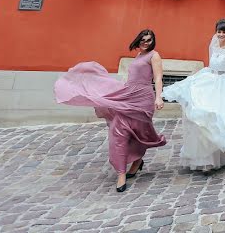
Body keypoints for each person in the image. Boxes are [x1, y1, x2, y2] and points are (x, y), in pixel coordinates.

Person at [54, 29, 166, 192]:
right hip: (128, 95)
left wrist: (159, 97)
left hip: (143, 99)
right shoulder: (139, 56)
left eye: (148, 40)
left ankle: (136, 161)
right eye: (142, 40)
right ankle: (121, 172)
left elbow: (157, 78)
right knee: (119, 132)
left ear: (153, 42)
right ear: (138, 41)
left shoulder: (154, 56)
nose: (145, 43)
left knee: (141, 133)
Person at [161, 18, 225, 171]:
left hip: (224, 85)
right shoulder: (214, 47)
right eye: (219, 31)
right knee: (200, 118)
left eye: (224, 32)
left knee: (216, 121)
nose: (221, 34)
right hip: (209, 81)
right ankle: (203, 159)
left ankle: (217, 158)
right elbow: (211, 65)